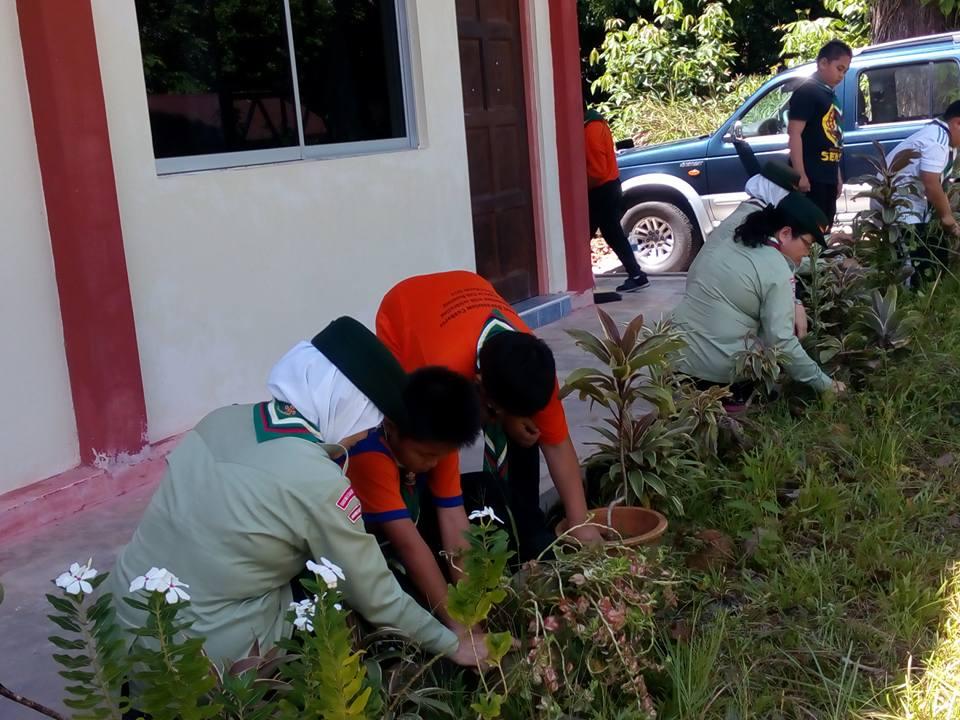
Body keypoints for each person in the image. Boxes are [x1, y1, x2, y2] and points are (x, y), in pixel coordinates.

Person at [106, 317, 487, 677]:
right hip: (199, 653)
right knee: (329, 597)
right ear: (346, 404)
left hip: (126, 621)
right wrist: (452, 644)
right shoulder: (317, 480)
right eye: (364, 421)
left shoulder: (220, 419)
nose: (359, 436)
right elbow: (376, 595)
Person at [375, 270, 604, 563]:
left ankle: (527, 530)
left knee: (527, 431)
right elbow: (449, 495)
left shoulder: (532, 367)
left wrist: (580, 524)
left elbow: (557, 444)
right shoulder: (446, 374)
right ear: (479, 384)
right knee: (422, 446)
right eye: (496, 409)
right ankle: (415, 535)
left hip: (465, 292)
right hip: (403, 311)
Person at [344, 366, 483, 639]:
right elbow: (408, 544)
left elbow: (454, 519)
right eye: (425, 455)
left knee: (482, 492)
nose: (433, 464)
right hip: (367, 540)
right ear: (392, 428)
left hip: (405, 520)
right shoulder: (367, 452)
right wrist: (458, 626)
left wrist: (471, 611)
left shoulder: (439, 443)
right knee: (413, 613)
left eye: (441, 456)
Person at [672, 194, 846, 402]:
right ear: (785, 233)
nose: (807, 253)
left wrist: (831, 264)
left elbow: (781, 266)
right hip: (716, 378)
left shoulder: (740, 238)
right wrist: (827, 386)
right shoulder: (775, 269)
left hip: (676, 362)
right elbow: (781, 342)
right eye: (807, 245)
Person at [883, 100, 960, 283]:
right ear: (957, 123)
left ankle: (930, 297)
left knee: (936, 259)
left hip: (916, 202)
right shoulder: (938, 140)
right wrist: (948, 219)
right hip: (897, 202)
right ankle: (907, 303)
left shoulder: (947, 140)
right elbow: (931, 183)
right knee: (913, 262)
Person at [584, 108, 651, 293]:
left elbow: (597, 171)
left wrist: (579, 189)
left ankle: (635, 275)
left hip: (601, 189)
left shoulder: (590, 127)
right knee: (610, 233)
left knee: (599, 234)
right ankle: (636, 275)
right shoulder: (596, 122)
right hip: (608, 186)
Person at [787, 40, 853, 222]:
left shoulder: (830, 94)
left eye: (845, 71)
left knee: (825, 229)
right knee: (808, 231)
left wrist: (837, 176)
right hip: (811, 177)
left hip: (828, 175)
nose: (842, 75)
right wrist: (800, 174)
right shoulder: (807, 91)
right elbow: (794, 134)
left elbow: (835, 140)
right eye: (839, 68)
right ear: (823, 63)